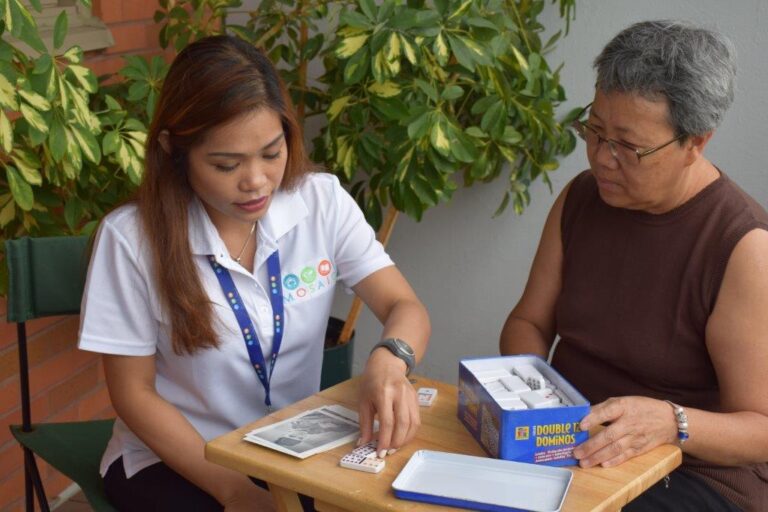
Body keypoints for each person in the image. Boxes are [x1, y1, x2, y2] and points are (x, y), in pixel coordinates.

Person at [78, 35, 430, 511]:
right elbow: (132, 393)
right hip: (180, 457)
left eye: (271, 153)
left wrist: (390, 361)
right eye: (226, 164)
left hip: (291, 449)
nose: (257, 182)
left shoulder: (319, 201)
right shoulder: (132, 238)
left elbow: (403, 306)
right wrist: (233, 489)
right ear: (172, 150)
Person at [499, 20, 767, 512]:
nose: (602, 158)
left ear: (696, 142)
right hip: (568, 444)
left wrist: (672, 421)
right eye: (594, 130)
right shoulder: (582, 198)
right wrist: (531, 398)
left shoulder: (743, 246)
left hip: (688, 473)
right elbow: (528, 322)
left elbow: (761, 429)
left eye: (629, 146)